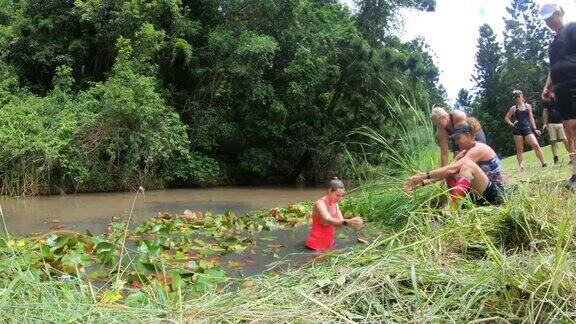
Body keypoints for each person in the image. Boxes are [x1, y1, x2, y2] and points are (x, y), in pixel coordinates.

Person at [404, 122, 505, 206]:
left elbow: (452, 168)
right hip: (482, 193)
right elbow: (448, 171)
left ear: (468, 135)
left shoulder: (479, 148)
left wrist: (423, 175)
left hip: (496, 194)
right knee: (451, 174)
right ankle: (460, 206)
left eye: (458, 138)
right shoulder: (465, 153)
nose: (456, 142)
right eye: (455, 140)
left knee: (468, 166)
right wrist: (421, 182)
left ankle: (452, 209)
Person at [540, 3, 576, 187]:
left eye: (550, 17)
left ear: (558, 13)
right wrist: (548, 87)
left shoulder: (572, 29)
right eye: (545, 20)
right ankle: (575, 173)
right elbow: (552, 69)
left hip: (574, 83)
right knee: (569, 131)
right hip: (560, 89)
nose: (548, 22)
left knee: (574, 127)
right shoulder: (553, 43)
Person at [305, 178, 363, 251]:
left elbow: (340, 223)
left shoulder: (335, 205)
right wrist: (347, 222)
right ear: (330, 191)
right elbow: (327, 219)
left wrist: (353, 223)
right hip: (315, 247)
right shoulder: (320, 204)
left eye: (342, 196)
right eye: (337, 195)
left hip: (330, 244)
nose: (340, 199)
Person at [504, 90, 547, 169]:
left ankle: (544, 163)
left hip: (527, 128)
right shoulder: (513, 108)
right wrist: (512, 124)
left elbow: (531, 118)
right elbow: (506, 118)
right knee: (520, 149)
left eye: (518, 96)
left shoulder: (528, 106)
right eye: (515, 97)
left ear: (522, 96)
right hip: (517, 130)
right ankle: (521, 166)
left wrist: (535, 129)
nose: (517, 98)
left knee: (536, 144)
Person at [543, 100, 569, 165]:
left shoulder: (560, 98)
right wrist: (545, 123)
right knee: (553, 141)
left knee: (565, 140)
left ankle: (572, 156)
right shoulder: (547, 101)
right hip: (551, 123)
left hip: (560, 123)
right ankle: (556, 159)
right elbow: (545, 112)